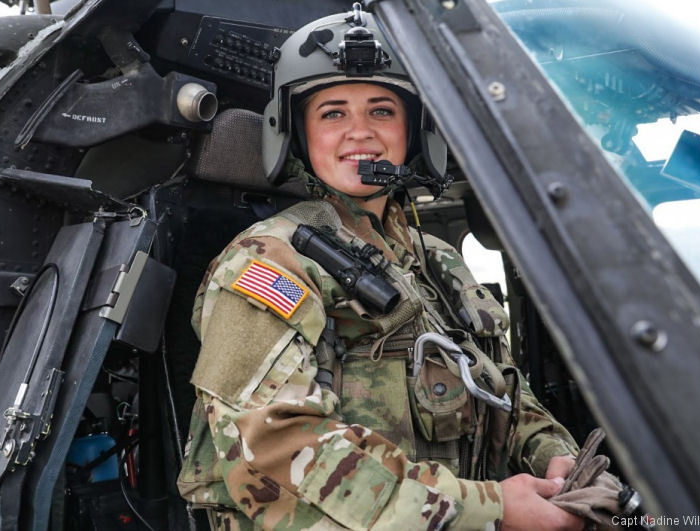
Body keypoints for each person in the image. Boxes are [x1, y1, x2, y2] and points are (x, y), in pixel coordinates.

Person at [178, 6, 585, 530]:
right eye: (332, 114)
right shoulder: (269, 261)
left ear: (414, 129)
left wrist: (552, 455)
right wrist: (492, 509)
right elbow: (271, 448)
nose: (359, 133)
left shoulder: (435, 259)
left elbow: (500, 387)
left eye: (381, 111)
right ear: (295, 133)